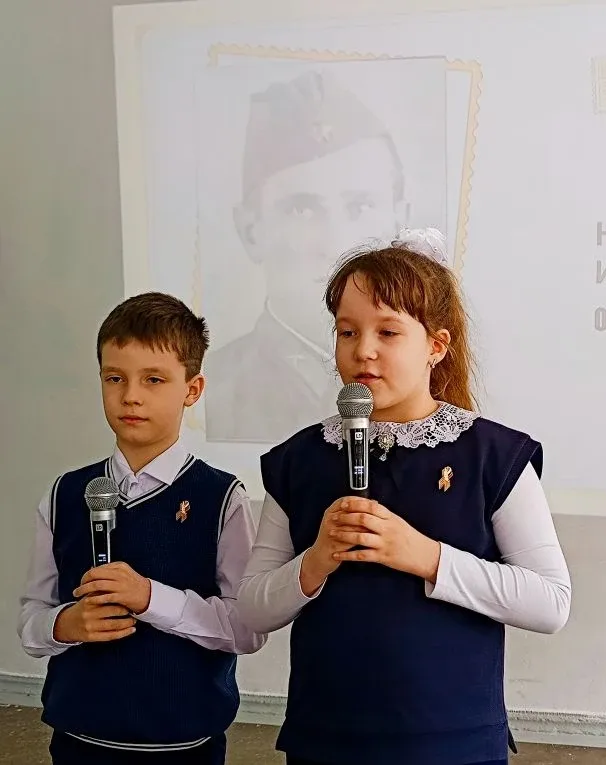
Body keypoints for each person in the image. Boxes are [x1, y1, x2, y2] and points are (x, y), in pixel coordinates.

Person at [236, 228, 572, 765]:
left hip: (452, 742)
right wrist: (315, 561)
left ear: (436, 346)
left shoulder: (492, 455)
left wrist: (425, 556)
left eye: (388, 332)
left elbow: (550, 603)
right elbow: (252, 608)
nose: (362, 351)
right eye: (347, 332)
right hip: (325, 740)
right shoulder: (300, 460)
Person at [17, 292, 268, 764]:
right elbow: (32, 617)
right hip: (78, 741)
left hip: (183, 746)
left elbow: (246, 629)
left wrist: (151, 598)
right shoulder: (65, 494)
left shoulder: (222, 498)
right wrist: (64, 624)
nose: (130, 395)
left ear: (192, 389)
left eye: (153, 379)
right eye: (115, 378)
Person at [203, 68, 415, 445]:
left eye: (361, 206)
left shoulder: (434, 382)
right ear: (251, 231)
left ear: (401, 222)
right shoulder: (211, 389)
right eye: (302, 210)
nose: (337, 244)